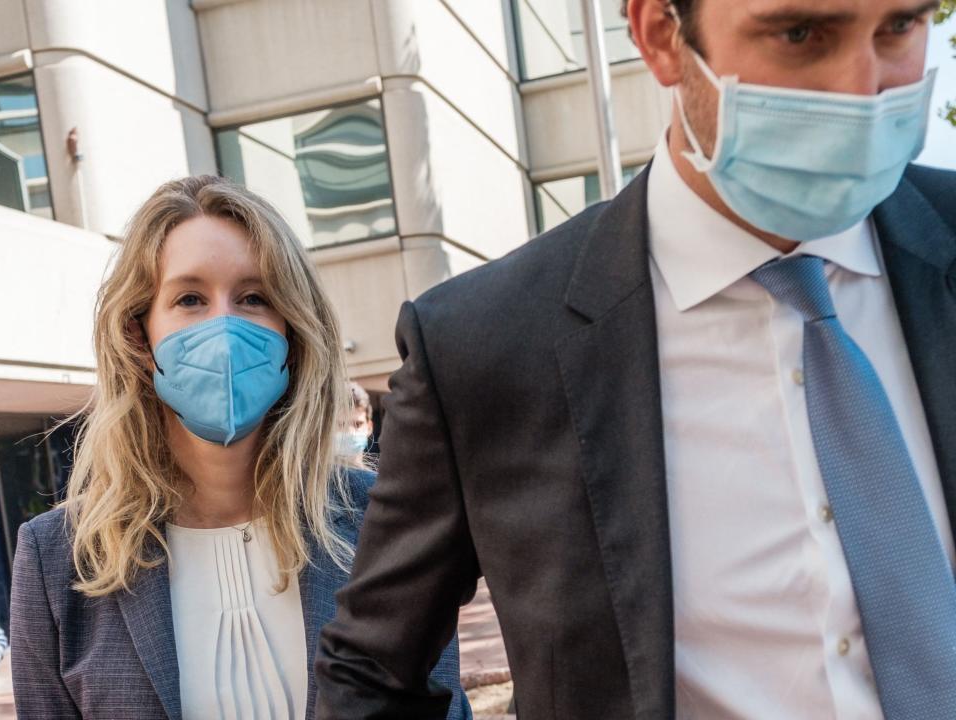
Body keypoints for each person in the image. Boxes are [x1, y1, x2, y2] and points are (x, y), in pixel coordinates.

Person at [315, 0, 956, 718]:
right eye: (800, 34)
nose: (861, 88)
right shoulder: (483, 344)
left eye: (899, 25)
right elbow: (371, 675)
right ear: (661, 36)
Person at [9, 176, 471, 719]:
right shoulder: (58, 559)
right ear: (139, 336)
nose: (223, 326)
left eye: (253, 298)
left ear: (292, 335)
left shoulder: (384, 524)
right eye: (189, 299)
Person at [336, 381, 375, 470]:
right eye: (341, 424)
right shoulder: (314, 482)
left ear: (369, 428)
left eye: (358, 424)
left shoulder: (380, 482)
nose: (350, 432)